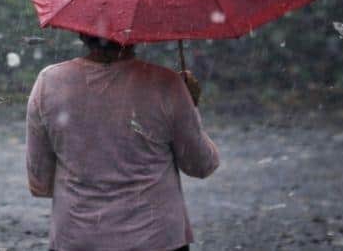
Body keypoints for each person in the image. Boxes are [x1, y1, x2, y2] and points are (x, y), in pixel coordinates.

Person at [26, 34, 220, 251]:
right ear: (136, 35)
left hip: (77, 239)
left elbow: (40, 182)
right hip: (158, 240)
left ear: (81, 33)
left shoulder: (49, 82)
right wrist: (189, 104)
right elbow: (201, 165)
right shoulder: (166, 84)